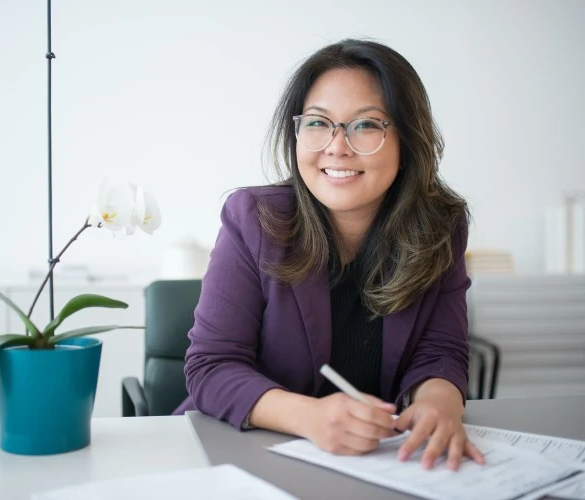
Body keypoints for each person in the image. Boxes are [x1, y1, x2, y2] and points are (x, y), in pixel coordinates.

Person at [174, 38, 485, 471]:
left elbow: (441, 351)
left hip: (380, 465)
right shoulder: (254, 219)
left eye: (366, 125)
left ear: (408, 140)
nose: (337, 147)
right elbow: (211, 367)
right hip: (240, 457)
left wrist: (439, 401)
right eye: (318, 123)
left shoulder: (439, 226)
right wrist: (310, 417)